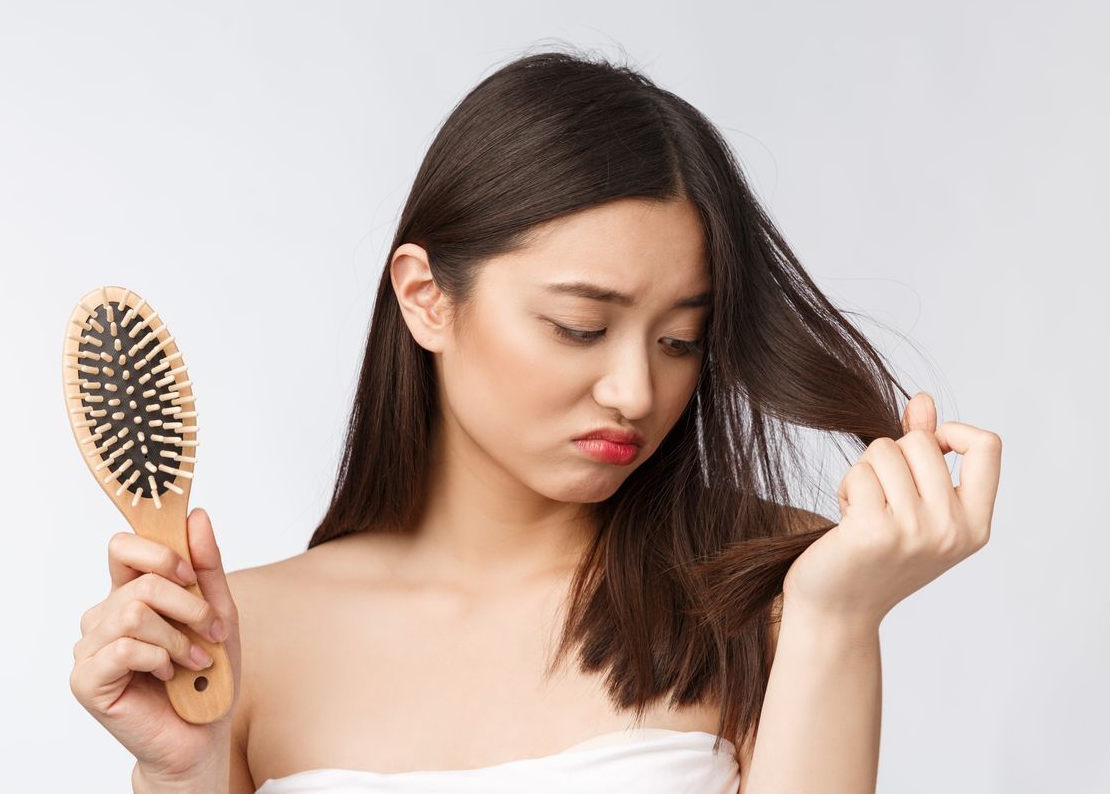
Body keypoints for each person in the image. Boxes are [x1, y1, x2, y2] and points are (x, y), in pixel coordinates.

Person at [69, 47, 1001, 794]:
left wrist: (834, 618)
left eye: (682, 340)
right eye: (580, 327)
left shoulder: (767, 591)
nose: (634, 391)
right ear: (427, 298)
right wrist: (174, 771)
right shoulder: (244, 641)